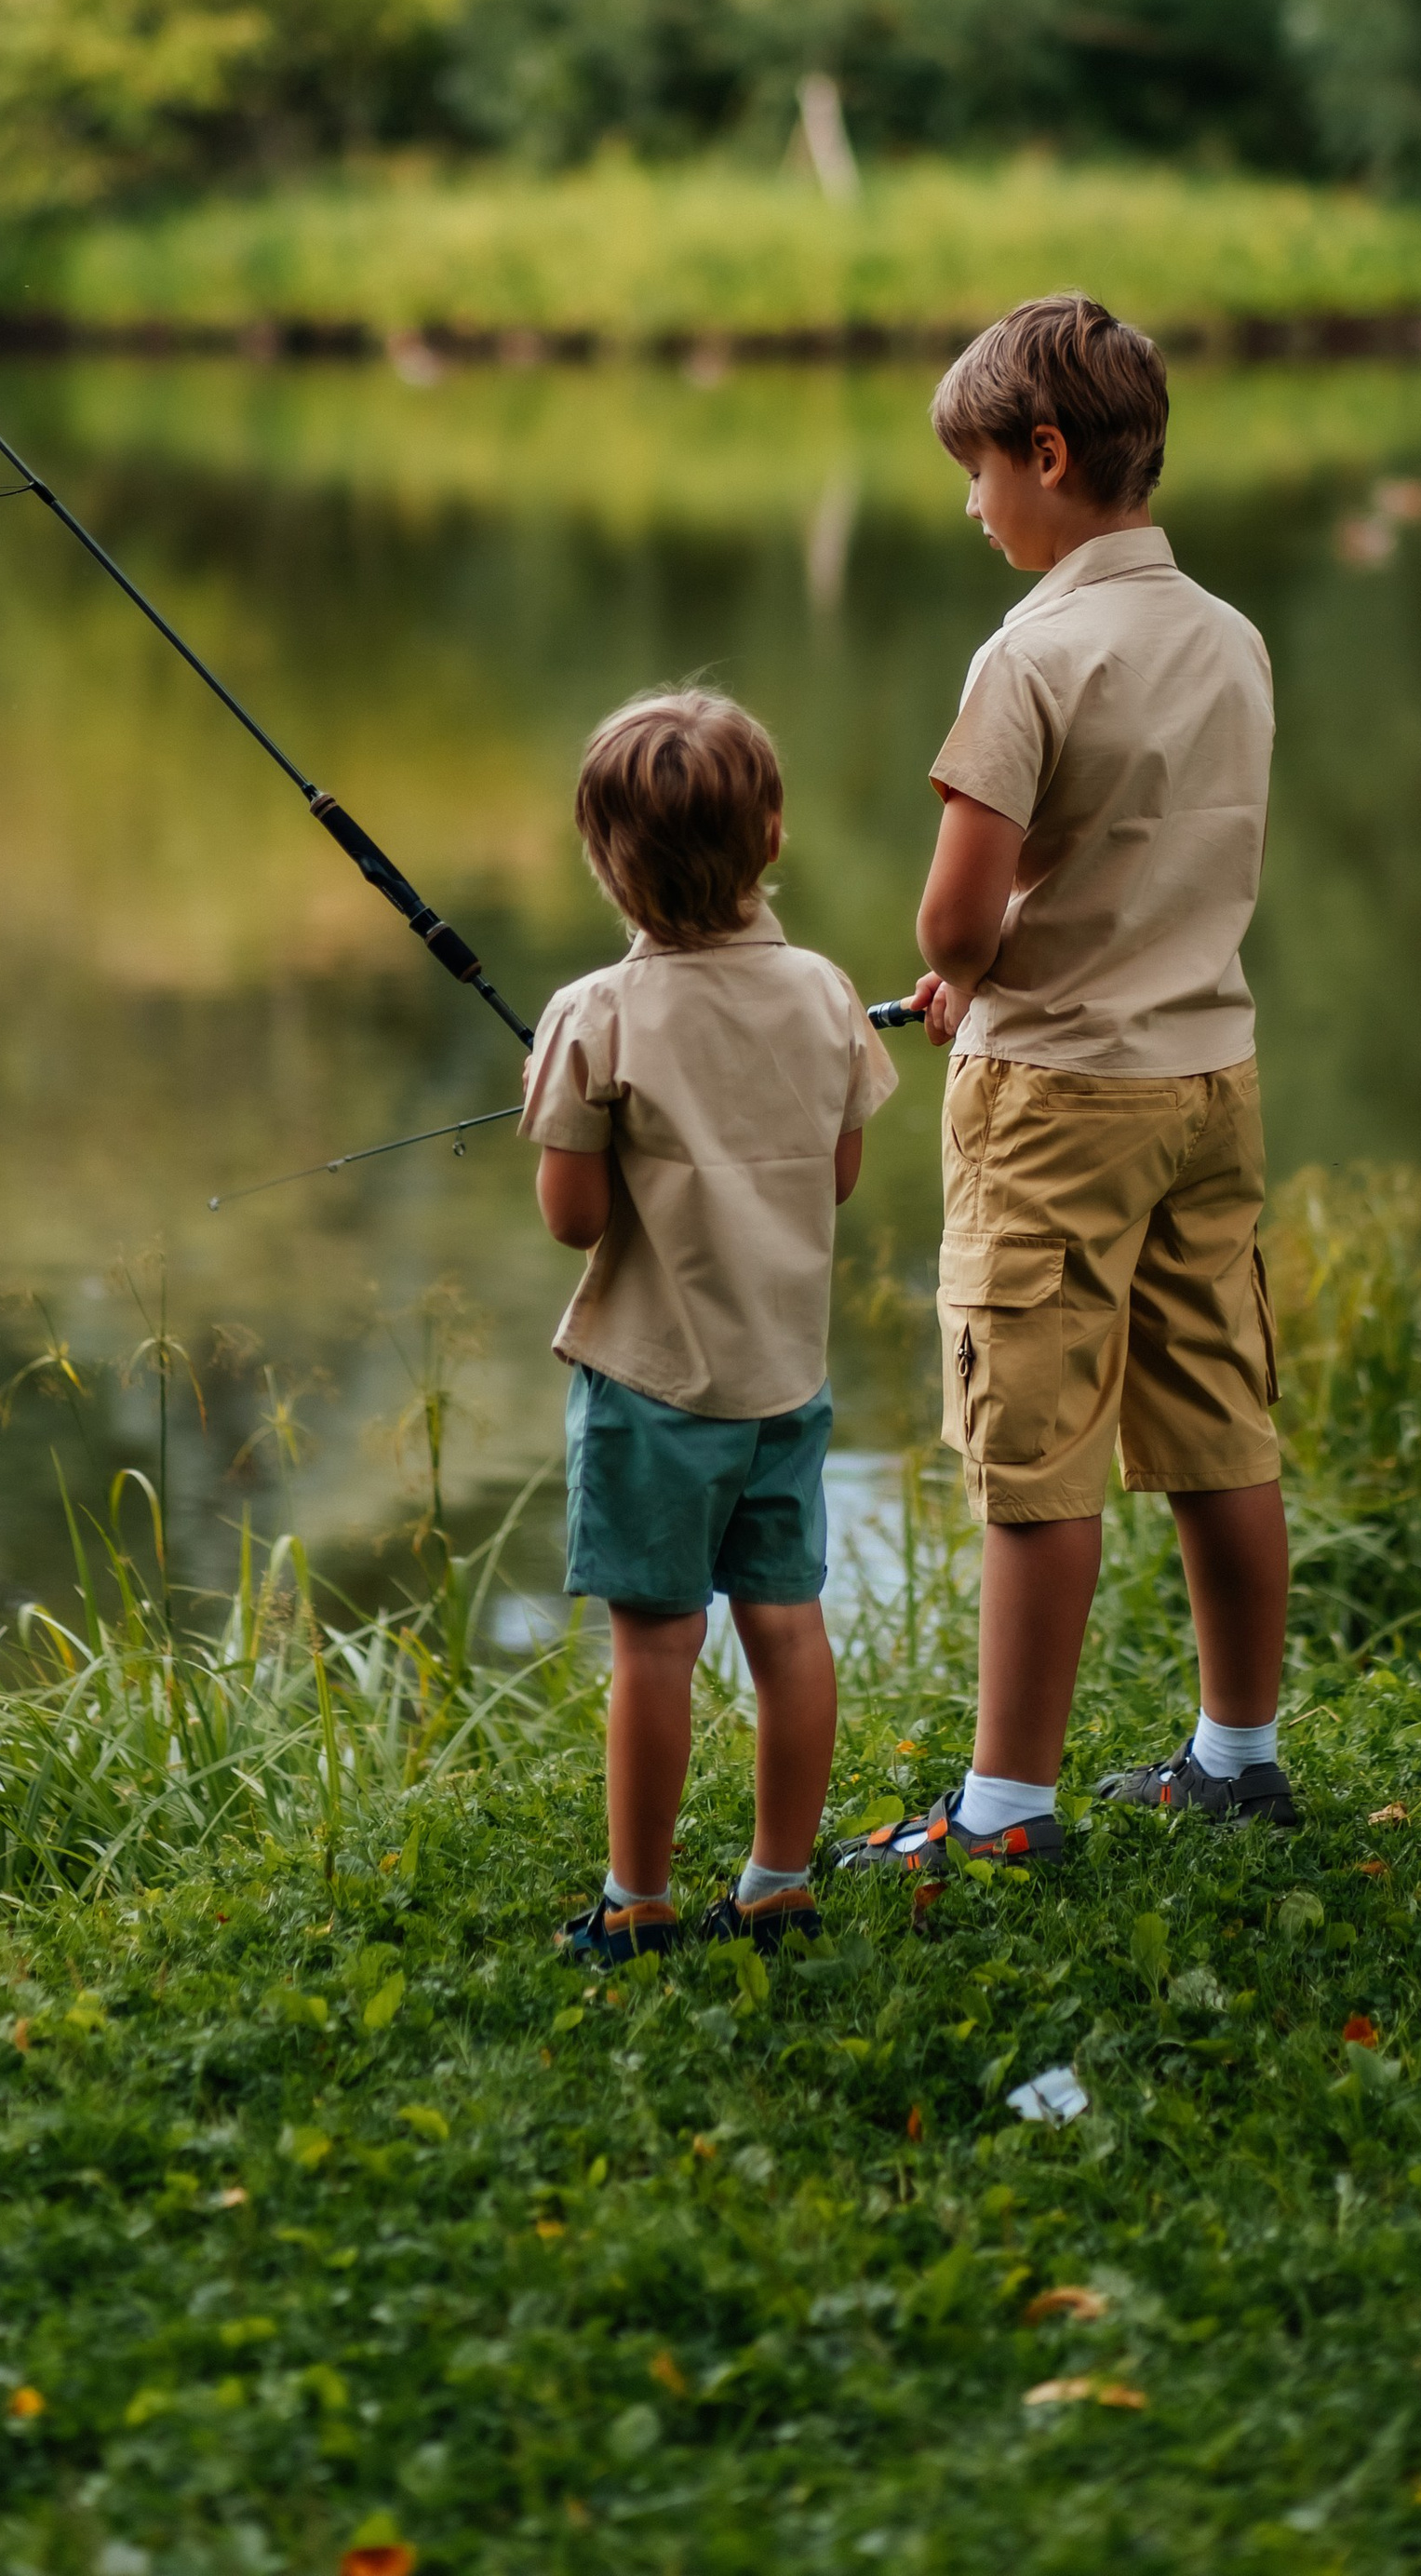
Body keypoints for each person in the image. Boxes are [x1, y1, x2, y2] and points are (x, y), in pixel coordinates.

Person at [836, 293, 1293, 1889]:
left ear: (1047, 453)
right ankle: (1241, 1757)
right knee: (1223, 1426)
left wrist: (982, 955)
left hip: (1057, 1099)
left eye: (980, 473)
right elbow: (1162, 859)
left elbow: (955, 926)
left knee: (1034, 1456)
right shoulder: (1228, 635)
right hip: (1208, 1081)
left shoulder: (1031, 652)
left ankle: (1002, 1805)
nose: (973, 506)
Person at [521, 689, 899, 1964]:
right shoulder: (828, 994)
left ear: (603, 862)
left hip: (654, 1388)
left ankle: (637, 1903)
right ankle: (779, 1880)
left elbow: (573, 1221)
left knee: (656, 1646)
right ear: (774, 836)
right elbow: (834, 1175)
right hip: (784, 1384)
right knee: (786, 1628)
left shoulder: (593, 1017)